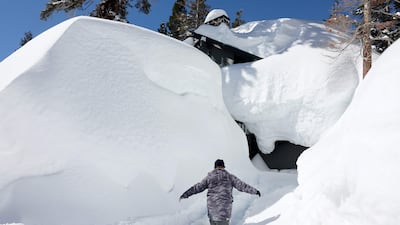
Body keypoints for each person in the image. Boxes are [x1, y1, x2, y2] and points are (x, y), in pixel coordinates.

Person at [179, 159, 261, 225]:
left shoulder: (209, 177)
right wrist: (255, 191)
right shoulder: (230, 177)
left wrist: (186, 194)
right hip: (224, 212)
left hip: (212, 212)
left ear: (215, 167)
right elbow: (242, 186)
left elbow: (197, 187)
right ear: (223, 167)